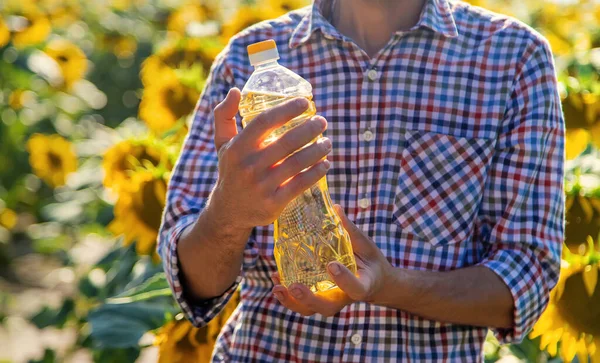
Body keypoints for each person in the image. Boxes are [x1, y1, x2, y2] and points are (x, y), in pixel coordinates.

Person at [158, 0, 565, 360]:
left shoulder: (512, 57)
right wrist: (228, 213)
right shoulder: (246, 62)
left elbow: (525, 278)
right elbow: (196, 283)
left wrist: (390, 286)